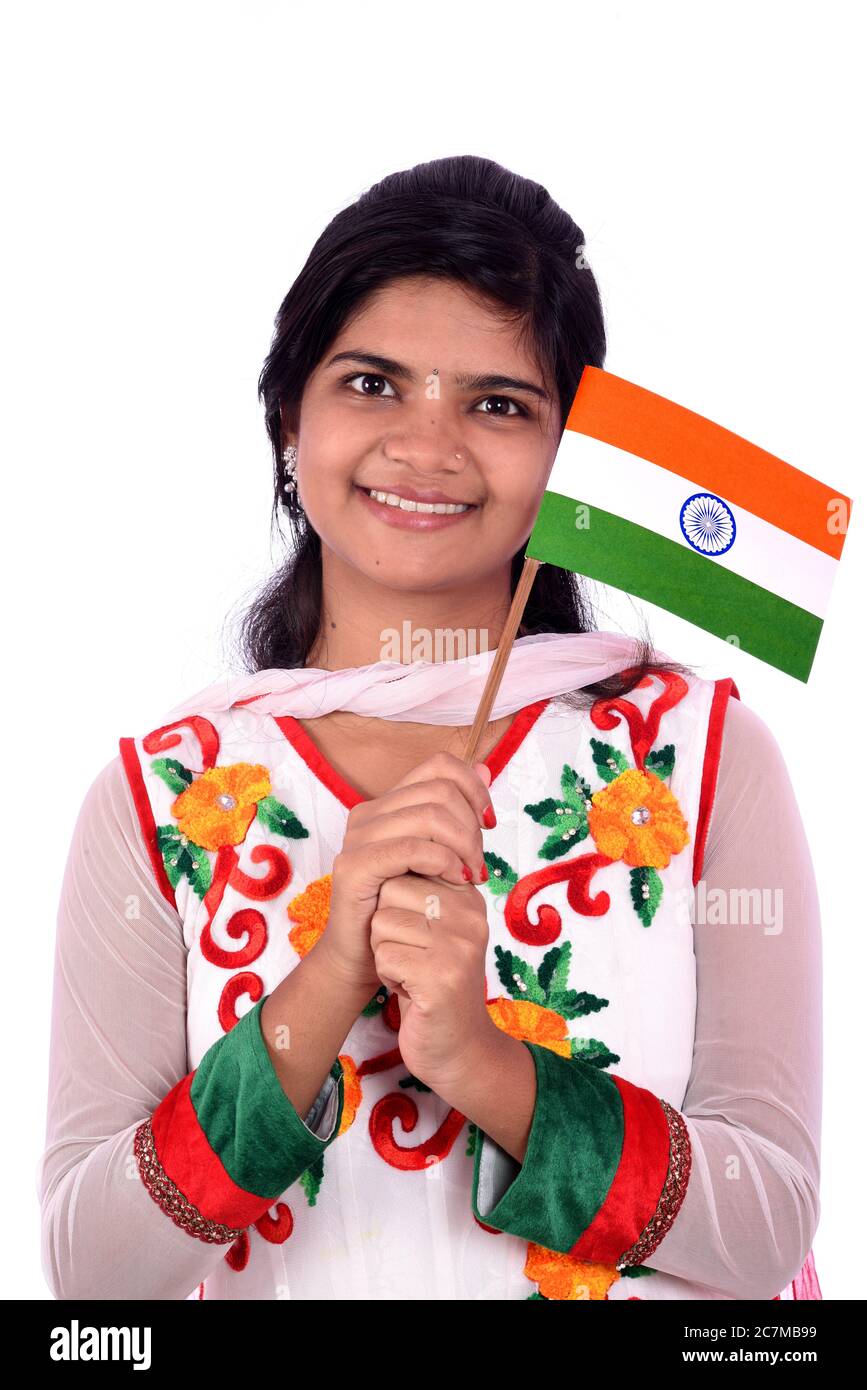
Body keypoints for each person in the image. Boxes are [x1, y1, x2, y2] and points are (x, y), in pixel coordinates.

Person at [36, 155, 822, 1302]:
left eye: (499, 404)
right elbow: (95, 1276)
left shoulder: (697, 759)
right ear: (287, 417)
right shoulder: (165, 797)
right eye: (372, 384)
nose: (428, 446)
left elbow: (764, 1230)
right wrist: (326, 982)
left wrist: (482, 1063)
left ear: (568, 459)